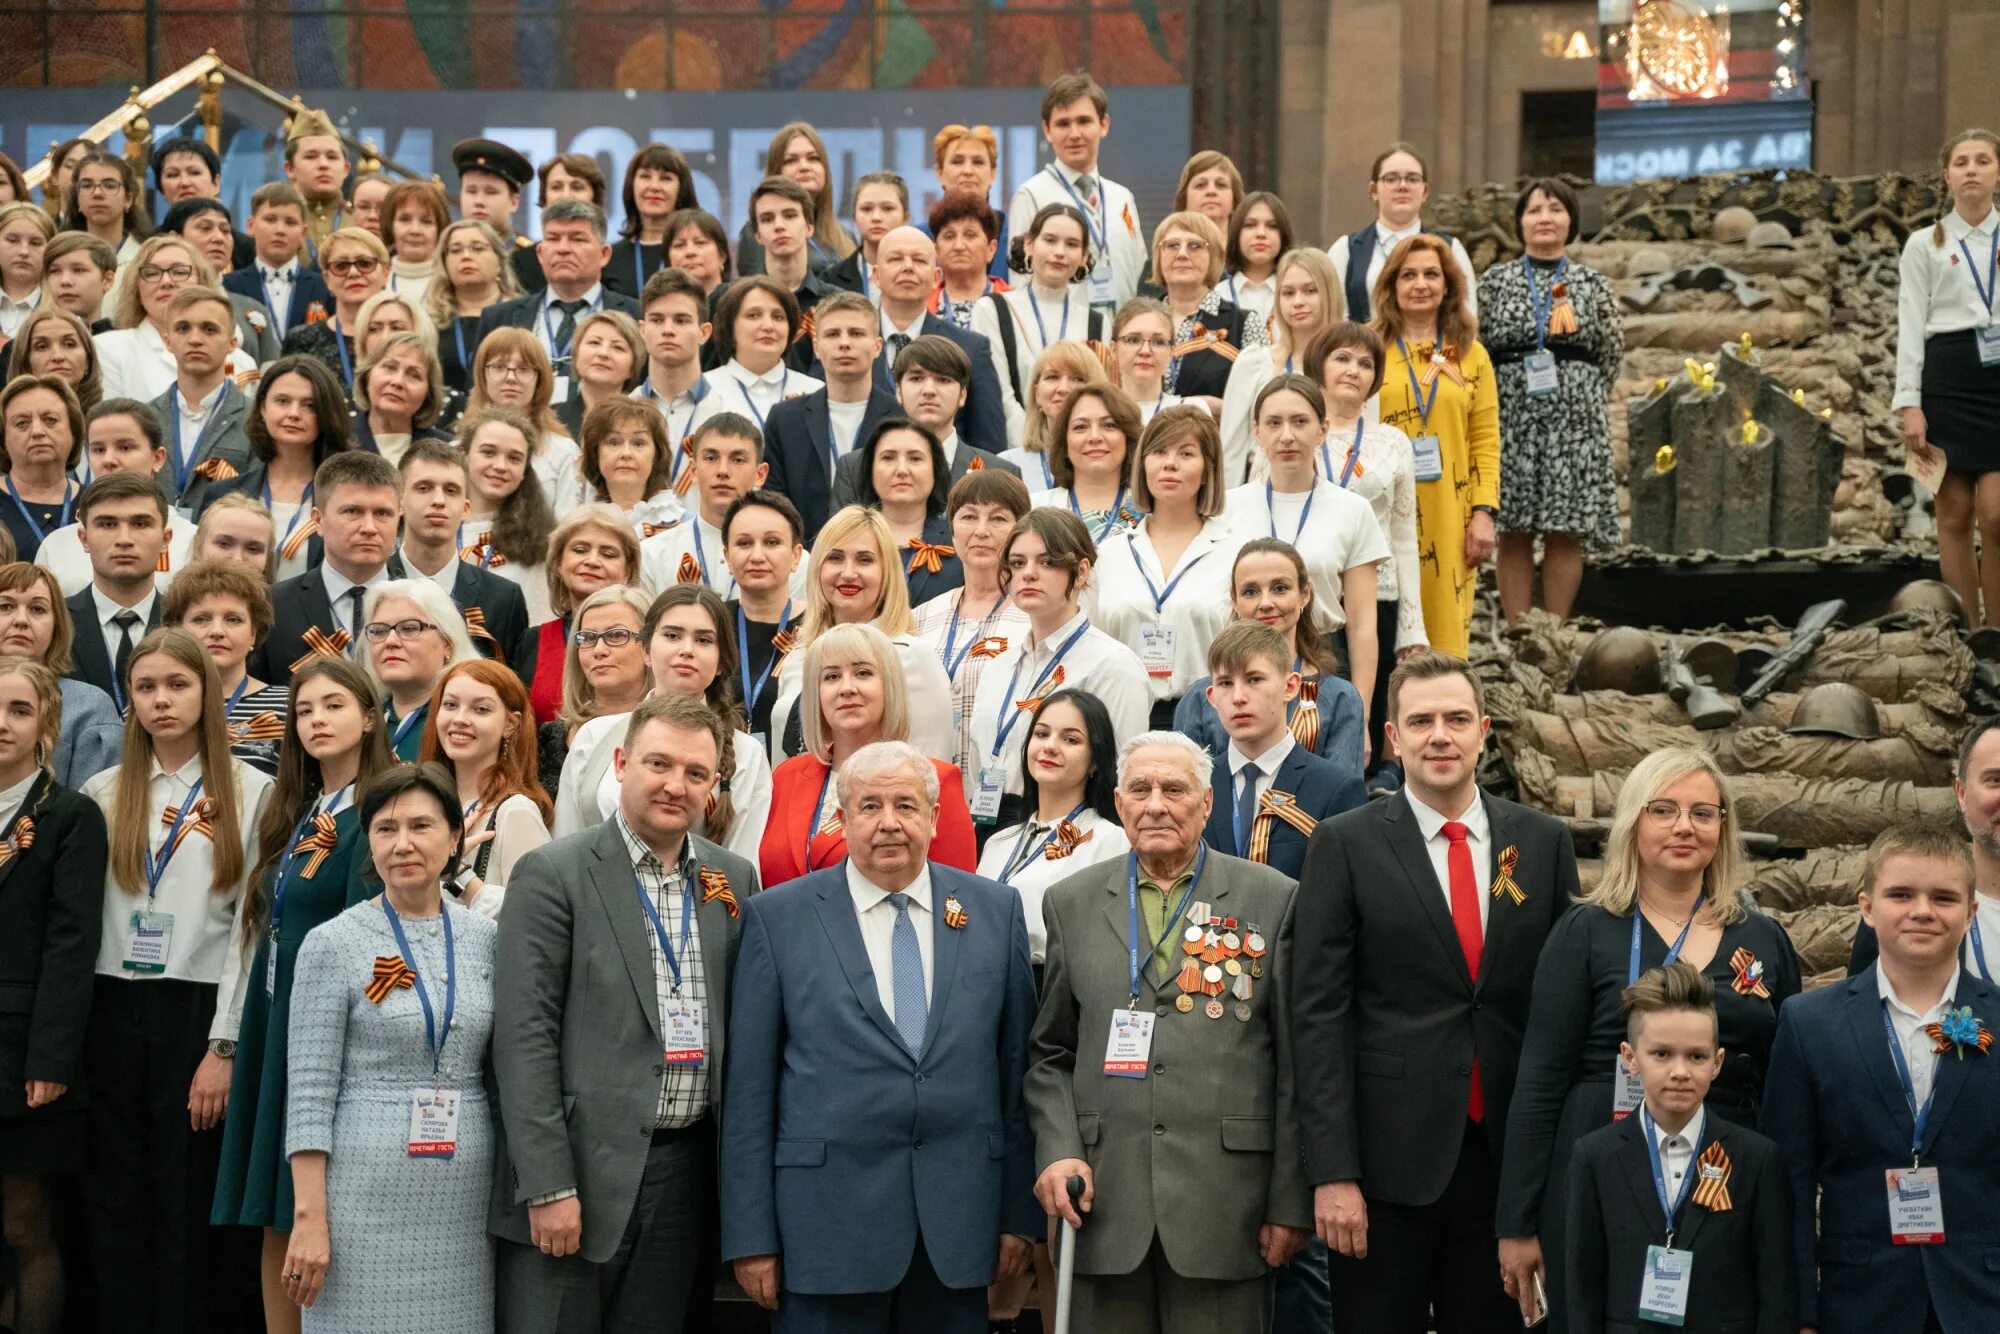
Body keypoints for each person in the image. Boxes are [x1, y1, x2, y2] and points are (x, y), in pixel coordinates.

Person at [1290, 651, 1576, 1334]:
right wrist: (1333, 1173)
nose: (1439, 735)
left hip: (1506, 1162)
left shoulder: (1542, 843)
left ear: (1484, 731)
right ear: (1393, 738)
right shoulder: (1345, 843)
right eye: (1421, 721)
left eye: (1455, 719)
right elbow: (1317, 1014)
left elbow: (1559, 1007)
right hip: (1385, 1170)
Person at [724, 735, 1037, 1328]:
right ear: (842, 818)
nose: (888, 824)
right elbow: (748, 1093)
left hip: (959, 1231)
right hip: (823, 1230)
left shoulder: (996, 912)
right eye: (869, 807)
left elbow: (1015, 1075)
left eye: (906, 806)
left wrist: (1016, 1216)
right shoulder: (778, 917)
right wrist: (750, 1234)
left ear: (936, 816)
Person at [1494, 747, 1802, 1327]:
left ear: (1723, 828)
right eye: (1664, 810)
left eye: (1703, 813)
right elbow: (1538, 1079)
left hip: (1730, 1178)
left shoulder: (1762, 938)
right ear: (1633, 823)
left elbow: (1786, 1076)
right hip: (1601, 1166)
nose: (1684, 826)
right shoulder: (1584, 931)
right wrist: (1517, 1221)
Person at [1026, 728, 1310, 1332]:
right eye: (1140, 789)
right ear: (1119, 802)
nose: (1155, 803)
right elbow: (1050, 1052)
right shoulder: (1069, 902)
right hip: (1101, 1202)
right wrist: (1058, 1152)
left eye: (1174, 789)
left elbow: (1295, 1063)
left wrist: (1290, 1201)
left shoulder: (1273, 899)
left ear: (1206, 804)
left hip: (1227, 1205)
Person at [491, 692, 758, 1334]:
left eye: (696, 773)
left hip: (686, 1175)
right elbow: (524, 1041)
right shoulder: (553, 873)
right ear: (620, 763)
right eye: (659, 764)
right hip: (578, 1174)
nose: (676, 785)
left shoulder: (733, 879)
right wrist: (549, 1186)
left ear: (715, 786)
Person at [80, 627, 274, 1334]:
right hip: (111, 1006)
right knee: (114, 1194)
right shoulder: (104, 790)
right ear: (129, 699)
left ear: (209, 692)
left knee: (187, 1195)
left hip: (197, 1011)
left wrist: (222, 1046)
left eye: (178, 685)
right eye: (146, 687)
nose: (162, 701)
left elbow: (252, 930)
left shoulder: (253, 791)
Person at [281, 762, 499, 1328]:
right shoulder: (332, 943)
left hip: (464, 1199)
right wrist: (309, 1217)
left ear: (455, 838)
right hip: (359, 1196)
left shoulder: (487, 939)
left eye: (421, 826)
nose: (402, 843)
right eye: (385, 828)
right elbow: (307, 1094)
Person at [1761, 822, 2000, 1334]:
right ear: (1866, 907)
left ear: (1971, 912)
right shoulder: (1809, 1024)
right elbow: (1791, 1184)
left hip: (1983, 1300)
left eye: (1943, 897)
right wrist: (1799, 1313)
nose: (1922, 911)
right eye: (1900, 894)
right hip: (1858, 1301)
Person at [209, 656, 389, 1334]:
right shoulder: (301, 809)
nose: (316, 720)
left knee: (318, 1213)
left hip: (328, 1042)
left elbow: (371, 950)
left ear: (369, 717)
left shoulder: (381, 810)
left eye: (334, 706)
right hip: (272, 1025)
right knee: (276, 1218)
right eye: (305, 710)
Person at [1564, 963, 1798, 1334]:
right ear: (1630, 1058)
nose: (1680, 1071)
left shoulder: (1757, 1158)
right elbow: (1583, 1284)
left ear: (1717, 1062)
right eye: (1661, 1054)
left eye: (1696, 1056)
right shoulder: (1594, 1156)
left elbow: (1776, 1287)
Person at [0, 657, 107, 1334]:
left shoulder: (68, 815)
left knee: (23, 1222)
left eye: (17, 710)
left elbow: (72, 944)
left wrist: (51, 1059)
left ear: (47, 725)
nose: (1, 724)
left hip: (20, 1050)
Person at [1476, 178, 1623, 623]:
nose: (1544, 218)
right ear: (1520, 222)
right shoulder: (1495, 282)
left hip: (1575, 420)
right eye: (1535, 210)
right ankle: (1521, 631)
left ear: (1570, 222)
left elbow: (1610, 353)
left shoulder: (1591, 283)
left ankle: (1554, 635)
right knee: (1514, 529)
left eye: (1555, 209)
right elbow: (1476, 347)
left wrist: (1579, 390)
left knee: (1566, 530)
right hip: (1510, 417)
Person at [551, 583, 774, 866]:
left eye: (704, 640)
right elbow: (564, 846)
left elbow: (741, 868)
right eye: (672, 635)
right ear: (645, 650)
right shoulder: (594, 736)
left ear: (721, 663)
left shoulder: (746, 753)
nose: (686, 650)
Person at [967, 507, 1149, 831]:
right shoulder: (999, 666)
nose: (1028, 573)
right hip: (987, 823)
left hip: (1073, 831)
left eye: (1047, 562)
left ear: (1080, 572)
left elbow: (1124, 778)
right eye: (1018, 563)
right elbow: (978, 761)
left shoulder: (1113, 665)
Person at [757, 623, 976, 888]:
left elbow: (957, 895)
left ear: (890, 686)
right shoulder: (787, 776)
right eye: (831, 676)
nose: (846, 688)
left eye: (862, 673)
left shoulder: (935, 780)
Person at [1303, 321, 1426, 781]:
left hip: (1379, 590)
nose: (1353, 370)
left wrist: (1414, 623)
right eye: (1342, 358)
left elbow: (1403, 535)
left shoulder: (1392, 442)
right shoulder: (1297, 430)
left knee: (1369, 707)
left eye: (1365, 362)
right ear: (1319, 365)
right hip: (1313, 591)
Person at [1223, 375, 1387, 711]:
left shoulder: (1352, 510)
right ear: (1257, 432)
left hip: (1322, 661)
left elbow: (1362, 624)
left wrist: (1361, 711)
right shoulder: (1226, 508)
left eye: (1300, 422)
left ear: (1322, 429)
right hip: (1242, 662)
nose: (1287, 436)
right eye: (1273, 423)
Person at [1373, 234, 1498, 660]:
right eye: (1408, 275)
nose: (1420, 284)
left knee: (1444, 643)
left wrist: (1484, 513)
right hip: (1381, 514)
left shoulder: (1471, 354)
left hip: (1450, 513)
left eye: (1431, 274)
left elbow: (1485, 440)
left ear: (1449, 285)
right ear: (1391, 285)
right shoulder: (1370, 350)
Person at [1897, 128, 2000, 624]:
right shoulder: (1924, 244)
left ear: (1998, 172)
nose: (1973, 169)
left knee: (1998, 516)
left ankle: (1999, 633)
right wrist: (1909, 402)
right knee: (1954, 515)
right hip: (1946, 381)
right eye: (1962, 162)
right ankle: (1969, 635)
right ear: (1947, 176)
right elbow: (1910, 326)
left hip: (1998, 382)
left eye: (1983, 160)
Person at [1089, 407, 1244, 728]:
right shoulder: (1108, 555)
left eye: (1186, 453)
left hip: (1211, 719)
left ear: (1208, 470)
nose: (1170, 463)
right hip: (1121, 716)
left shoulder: (1235, 554)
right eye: (1159, 451)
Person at [764, 505, 955, 765]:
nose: (848, 573)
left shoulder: (911, 657)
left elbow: (933, 771)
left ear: (886, 572)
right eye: (835, 558)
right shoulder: (800, 655)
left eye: (864, 559)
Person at [1175, 539, 1369, 778]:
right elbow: (1185, 791)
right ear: (1234, 600)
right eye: (1250, 592)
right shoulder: (1200, 698)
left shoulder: (1339, 698)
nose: (1265, 603)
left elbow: (1344, 802)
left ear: (1304, 594)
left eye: (1280, 588)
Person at [972, 687, 1130, 966]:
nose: (1050, 746)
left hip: (1053, 988)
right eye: (1042, 734)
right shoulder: (999, 842)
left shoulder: (1110, 840)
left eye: (1070, 739)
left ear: (1095, 760)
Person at [1199, 620, 1363, 879]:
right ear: (1211, 696)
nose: (1238, 697)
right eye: (1225, 683)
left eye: (1254, 679)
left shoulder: (1336, 789)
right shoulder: (1195, 784)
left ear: (1290, 687)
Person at [192, 355, 352, 582]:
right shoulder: (221, 493)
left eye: (309, 405)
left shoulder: (344, 498)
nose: (294, 413)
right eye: (282, 401)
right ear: (263, 409)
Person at [913, 470, 1032, 774]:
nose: (981, 531)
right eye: (968, 517)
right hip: (927, 789)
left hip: (1003, 791)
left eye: (997, 519)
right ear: (951, 530)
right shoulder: (920, 618)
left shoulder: (1034, 619)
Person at [251, 450, 403, 684]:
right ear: (318, 520)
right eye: (352, 511)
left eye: (383, 513)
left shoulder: (426, 604)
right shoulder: (272, 607)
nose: (369, 527)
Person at [761, 290, 899, 543]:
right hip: (802, 561)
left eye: (856, 333)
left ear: (878, 346)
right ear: (816, 347)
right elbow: (775, 504)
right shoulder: (785, 419)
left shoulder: (902, 421)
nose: (844, 343)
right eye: (833, 334)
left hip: (882, 554)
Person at [860, 226, 1013, 453]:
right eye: (895, 259)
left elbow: (988, 446)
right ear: (876, 275)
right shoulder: (851, 343)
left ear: (936, 277)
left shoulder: (971, 347)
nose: (908, 267)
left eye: (919, 260)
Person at [419, 657, 552, 917]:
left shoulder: (515, 811)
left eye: (480, 710)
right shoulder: (426, 805)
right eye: (450, 705)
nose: (460, 718)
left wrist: (457, 873)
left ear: (510, 725)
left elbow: (538, 916)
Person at [1007, 73, 1145, 313]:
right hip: (1062, 342)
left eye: (1084, 121)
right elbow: (1020, 284)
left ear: (1103, 125)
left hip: (1123, 340)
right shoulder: (1030, 195)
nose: (1074, 134)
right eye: (1063, 124)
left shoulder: (1122, 198)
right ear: (1047, 130)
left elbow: (1140, 271)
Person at [830, 333, 1018, 508]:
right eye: (916, 378)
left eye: (943, 380)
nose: (929, 390)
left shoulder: (1000, 472)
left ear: (963, 394)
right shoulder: (856, 468)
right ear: (898, 392)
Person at [390, 438, 532, 661]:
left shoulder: (503, 598)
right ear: (399, 503)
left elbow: (512, 688)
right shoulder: (369, 586)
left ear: (466, 508)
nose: (438, 500)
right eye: (424, 488)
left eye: (451, 490)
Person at [40, 401, 194, 597]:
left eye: (125, 447)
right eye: (98, 449)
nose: (109, 460)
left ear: (158, 458)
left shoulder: (192, 540)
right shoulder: (57, 544)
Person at [475, 201, 642, 378]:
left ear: (604, 254)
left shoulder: (636, 316)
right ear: (540, 253)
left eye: (577, 239)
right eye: (553, 239)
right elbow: (479, 393)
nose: (563, 249)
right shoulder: (498, 318)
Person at [1222, 248, 1344, 484]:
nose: (1298, 302)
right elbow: (1231, 454)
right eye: (1288, 293)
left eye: (1310, 291)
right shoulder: (1255, 363)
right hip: (1263, 497)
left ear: (1330, 294)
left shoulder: (1352, 366)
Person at [162, 558, 293, 776]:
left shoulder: (288, 706)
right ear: (177, 630)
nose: (217, 631)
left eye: (233, 619)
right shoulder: (153, 704)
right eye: (201, 619)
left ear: (254, 632)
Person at [0, 563, 124, 788]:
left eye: (37, 609)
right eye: (5, 606)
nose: (20, 620)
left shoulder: (89, 707)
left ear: (57, 626)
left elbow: (94, 810)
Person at [972, 204, 1105, 409]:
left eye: (1071, 244)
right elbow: (998, 396)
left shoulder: (1098, 323)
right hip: (1012, 440)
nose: (1060, 252)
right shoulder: (991, 310)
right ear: (1029, 245)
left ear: (1084, 257)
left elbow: (1100, 398)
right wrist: (1033, 440)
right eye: (1050, 240)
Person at [1328, 143, 1478, 323]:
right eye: (1391, 179)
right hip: (1365, 349)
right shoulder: (1346, 250)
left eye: (1413, 179)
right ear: (1373, 190)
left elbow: (1466, 317)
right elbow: (1332, 319)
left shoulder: (1450, 248)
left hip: (1433, 350)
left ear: (1425, 191)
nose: (1402, 186)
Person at [517, 505, 641, 724]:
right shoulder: (531, 641)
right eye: (580, 550)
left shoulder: (646, 635)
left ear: (628, 570)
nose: (592, 561)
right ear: (557, 563)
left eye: (608, 553)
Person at [96, 236, 257, 403]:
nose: (166, 282)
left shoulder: (240, 361)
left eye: (179, 272)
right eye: (151, 273)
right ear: (136, 288)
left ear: (202, 282)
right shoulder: (108, 349)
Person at [62, 472, 173, 706]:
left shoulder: (187, 622)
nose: (124, 539)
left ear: (166, 540)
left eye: (140, 523)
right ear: (83, 538)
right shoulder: (54, 622)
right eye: (108, 524)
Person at [638, 412, 774, 601]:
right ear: (693, 470)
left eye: (738, 459)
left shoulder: (788, 562)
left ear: (760, 474)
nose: (723, 471)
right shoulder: (652, 555)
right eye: (711, 458)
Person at [541, 584, 651, 803]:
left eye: (617, 635)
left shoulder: (673, 730)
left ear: (649, 645)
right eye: (588, 638)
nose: (599, 650)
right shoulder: (547, 739)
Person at [149, 288, 256, 512]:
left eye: (209, 329)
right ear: (167, 341)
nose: (195, 339)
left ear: (232, 343)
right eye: (182, 328)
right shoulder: (144, 419)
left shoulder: (255, 420)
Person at [1145, 211, 1262, 411]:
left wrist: (1225, 411)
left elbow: (1262, 402)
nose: (1182, 254)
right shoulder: (1139, 320)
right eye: (1172, 245)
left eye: (1195, 246)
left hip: (1217, 438)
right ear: (1158, 256)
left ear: (1215, 258)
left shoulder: (1244, 323)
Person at [456, 406, 558, 623]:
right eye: (488, 452)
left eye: (514, 458)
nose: (500, 466)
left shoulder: (538, 544)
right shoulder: (437, 524)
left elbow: (537, 625)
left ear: (524, 470)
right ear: (465, 455)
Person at [721, 490, 806, 747]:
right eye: (744, 543)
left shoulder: (820, 628)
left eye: (771, 542)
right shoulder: (710, 624)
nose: (757, 556)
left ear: (795, 556)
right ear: (726, 556)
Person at [690, 276, 823, 439]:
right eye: (753, 315)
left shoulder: (816, 392)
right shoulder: (702, 390)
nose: (768, 326)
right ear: (730, 326)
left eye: (778, 317)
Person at [463, 328, 582, 508]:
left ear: (540, 380)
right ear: (482, 375)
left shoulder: (564, 453)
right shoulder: (459, 449)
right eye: (498, 367)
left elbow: (568, 527)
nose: (511, 378)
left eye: (524, 369)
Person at [361, 578, 476, 760]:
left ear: (448, 643)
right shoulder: (361, 722)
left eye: (408, 628)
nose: (390, 641)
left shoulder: (467, 722)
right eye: (379, 631)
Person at [855, 417, 964, 606]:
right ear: (870, 468)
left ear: (935, 469)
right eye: (888, 458)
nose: (902, 470)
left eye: (915, 458)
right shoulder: (847, 538)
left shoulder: (960, 543)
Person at [159, 197, 281, 363]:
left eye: (225, 230)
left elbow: (271, 372)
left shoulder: (252, 308)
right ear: (175, 238)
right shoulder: (159, 301)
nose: (218, 238)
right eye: (205, 228)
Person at [732, 122, 858, 277]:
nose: (804, 167)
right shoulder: (757, 231)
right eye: (791, 160)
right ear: (776, 171)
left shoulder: (846, 236)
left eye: (813, 158)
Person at [630, 268, 714, 495]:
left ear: (704, 332)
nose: (668, 330)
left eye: (681, 320)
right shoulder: (620, 414)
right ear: (643, 330)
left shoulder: (730, 411)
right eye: (657, 320)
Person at [1031, 381, 1147, 545]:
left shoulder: (1150, 512)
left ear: (1129, 438)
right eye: (1080, 427)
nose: (1094, 437)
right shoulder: (1033, 508)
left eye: (1109, 425)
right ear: (1064, 442)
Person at [278, 227, 389, 389]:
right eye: (341, 265)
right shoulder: (302, 340)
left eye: (365, 263)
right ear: (327, 278)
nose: (353, 272)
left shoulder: (405, 336)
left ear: (386, 272)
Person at [223, 183, 333, 342]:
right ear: (251, 225)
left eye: (290, 222)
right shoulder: (229, 286)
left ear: (303, 233)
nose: (280, 230)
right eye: (270, 219)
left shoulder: (324, 286)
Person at [427, 219, 524, 392]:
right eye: (455, 250)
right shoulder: (431, 322)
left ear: (499, 261)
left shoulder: (523, 313)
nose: (466, 256)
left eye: (477, 248)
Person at [0, 375, 85, 562]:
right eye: (22, 423)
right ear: (3, 438)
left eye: (50, 420)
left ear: (74, 431)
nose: (37, 431)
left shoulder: (96, 504)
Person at [604, 143, 701, 301]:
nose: (654, 186)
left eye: (665, 178)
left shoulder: (695, 254)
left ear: (682, 190)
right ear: (631, 185)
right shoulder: (609, 258)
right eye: (645, 176)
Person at [578, 395, 685, 536]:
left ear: (656, 455)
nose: (626, 453)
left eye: (638, 443)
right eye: (614, 442)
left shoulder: (682, 525)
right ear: (595, 453)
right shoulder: (578, 527)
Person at [1004, 339, 1102, 488]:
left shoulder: (1109, 463)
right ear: (1036, 393)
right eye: (1052, 377)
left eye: (1077, 379)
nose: (1063, 388)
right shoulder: (1007, 465)